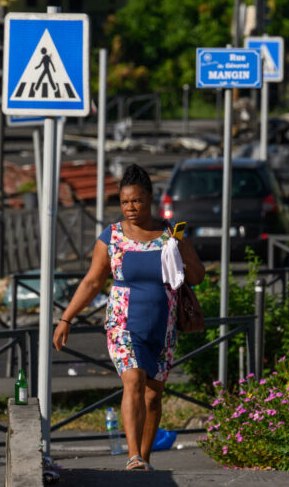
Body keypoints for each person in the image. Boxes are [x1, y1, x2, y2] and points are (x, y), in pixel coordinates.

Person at [52, 164, 205, 471]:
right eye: (124, 202)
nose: (130, 207)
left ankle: (145, 460)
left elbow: (197, 277)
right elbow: (93, 282)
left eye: (136, 200)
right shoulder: (112, 237)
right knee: (133, 381)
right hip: (123, 323)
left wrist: (183, 248)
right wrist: (66, 318)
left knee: (152, 397)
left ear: (149, 198)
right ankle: (133, 456)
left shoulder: (170, 233)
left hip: (163, 328)